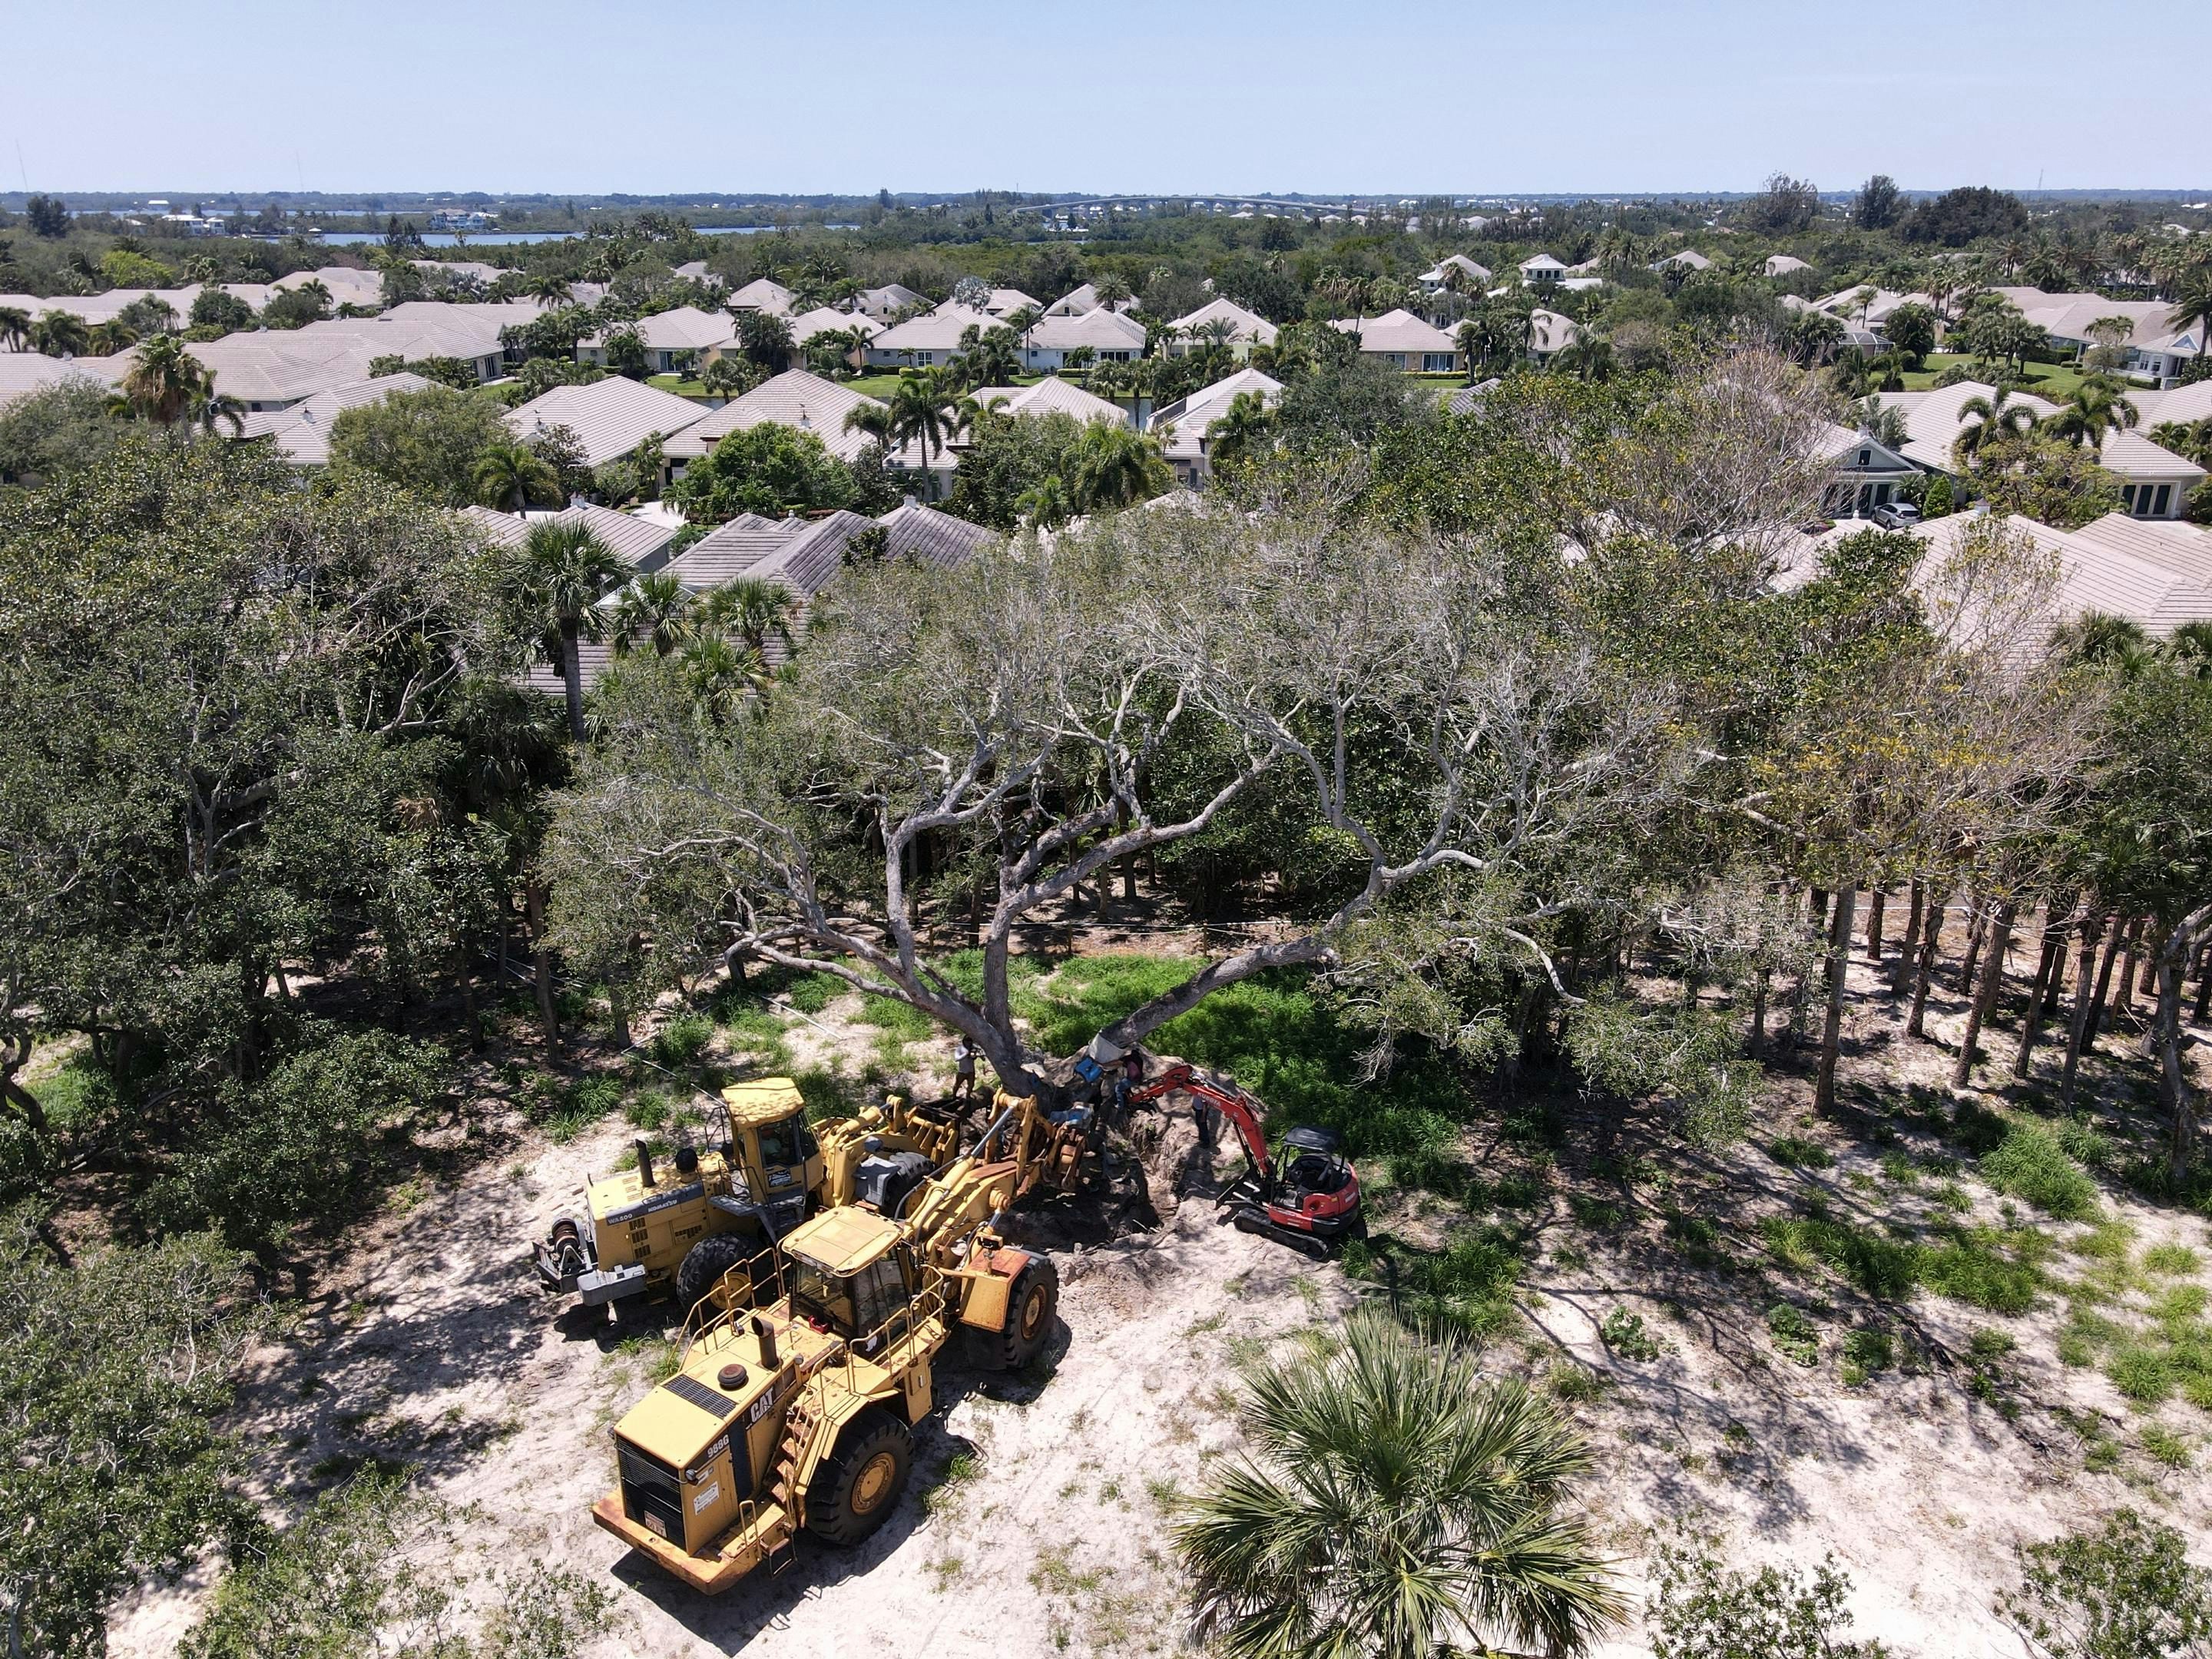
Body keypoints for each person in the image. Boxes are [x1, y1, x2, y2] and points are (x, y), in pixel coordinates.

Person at [950, 1035, 977, 1102]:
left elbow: (976, 1056)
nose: (968, 1043)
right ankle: (953, 1095)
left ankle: (968, 1096)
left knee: (971, 1085)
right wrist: (965, 1054)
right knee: (957, 1084)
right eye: (967, 1041)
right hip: (962, 1071)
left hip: (971, 1071)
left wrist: (975, 1055)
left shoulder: (973, 1048)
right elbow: (957, 1059)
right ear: (964, 1041)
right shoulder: (960, 1049)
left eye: (970, 1041)